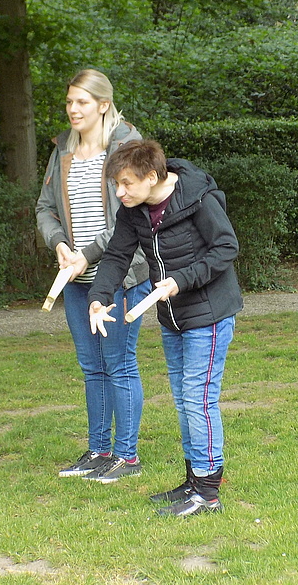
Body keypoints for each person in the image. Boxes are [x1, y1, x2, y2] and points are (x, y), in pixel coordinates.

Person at [87, 139, 242, 516]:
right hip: (173, 316)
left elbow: (226, 247)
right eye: (117, 184)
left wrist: (181, 280)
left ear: (152, 177)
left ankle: (208, 494)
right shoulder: (134, 210)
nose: (120, 192)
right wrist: (98, 298)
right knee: (184, 399)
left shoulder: (197, 198)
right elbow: (117, 256)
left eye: (126, 183)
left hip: (209, 311)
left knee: (198, 398)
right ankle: (193, 480)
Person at [36, 69, 154, 483]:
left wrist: (86, 255)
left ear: (104, 105)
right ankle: (99, 450)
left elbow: (129, 215)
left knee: (119, 363)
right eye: (69, 102)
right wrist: (60, 246)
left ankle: (127, 457)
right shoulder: (63, 150)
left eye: (82, 102)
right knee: (92, 367)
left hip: (121, 276)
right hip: (77, 278)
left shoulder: (127, 147)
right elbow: (45, 208)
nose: (73, 109)